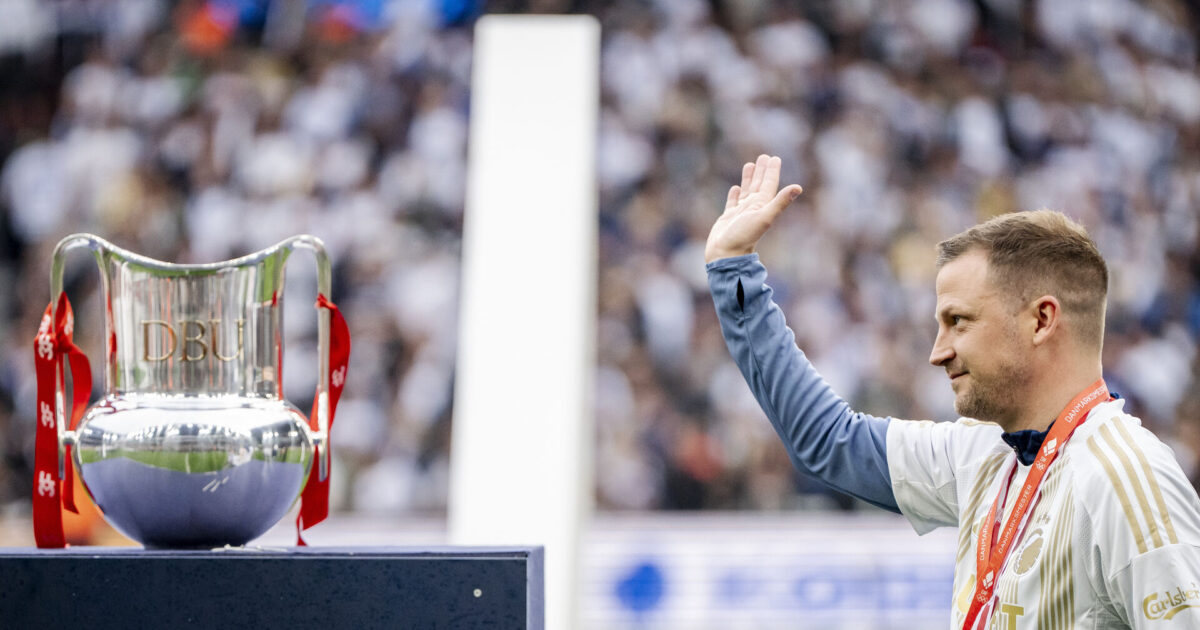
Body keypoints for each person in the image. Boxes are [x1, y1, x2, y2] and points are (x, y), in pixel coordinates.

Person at [705, 154, 1200, 629]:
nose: (937, 352)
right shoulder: (985, 453)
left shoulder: (1125, 477)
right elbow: (829, 442)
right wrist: (734, 272)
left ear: (1041, 320)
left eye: (958, 321)